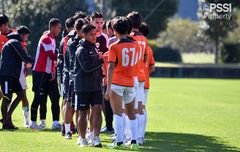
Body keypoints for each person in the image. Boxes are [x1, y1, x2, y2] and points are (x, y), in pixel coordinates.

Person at [105, 16, 139, 150]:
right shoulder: (135, 45)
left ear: (114, 30)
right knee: (131, 114)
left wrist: (108, 89)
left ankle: (119, 142)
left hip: (117, 83)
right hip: (131, 82)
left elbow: (111, 67)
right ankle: (134, 141)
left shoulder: (114, 46)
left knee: (118, 113)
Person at [74, 24, 103, 147]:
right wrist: (101, 61)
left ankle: (96, 137)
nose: (94, 36)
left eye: (95, 34)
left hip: (95, 86)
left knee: (97, 110)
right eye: (91, 34)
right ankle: (82, 138)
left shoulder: (93, 48)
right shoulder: (81, 50)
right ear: (84, 35)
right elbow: (86, 68)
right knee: (83, 113)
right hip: (82, 87)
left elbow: (96, 67)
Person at [0, 27, 34, 130]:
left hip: (13, 76)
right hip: (6, 75)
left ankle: (6, 117)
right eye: (26, 36)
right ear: (22, 35)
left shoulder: (15, 42)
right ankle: (5, 123)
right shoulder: (14, 42)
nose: (26, 39)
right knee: (6, 98)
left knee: (20, 95)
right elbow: (24, 57)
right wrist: (36, 60)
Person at [30, 18, 61, 130]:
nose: (59, 30)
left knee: (55, 96)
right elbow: (51, 55)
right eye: (58, 27)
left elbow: (52, 58)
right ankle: (33, 122)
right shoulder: (46, 38)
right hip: (39, 72)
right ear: (52, 27)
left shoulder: (53, 39)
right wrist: (63, 57)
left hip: (48, 72)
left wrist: (53, 71)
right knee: (38, 97)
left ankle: (55, 122)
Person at [127, 11, 149, 144]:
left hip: (132, 76)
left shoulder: (130, 37)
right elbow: (145, 58)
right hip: (142, 75)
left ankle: (130, 136)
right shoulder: (144, 39)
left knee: (130, 108)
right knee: (141, 108)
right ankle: (140, 137)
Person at [64, 18, 86, 140]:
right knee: (70, 104)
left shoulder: (85, 42)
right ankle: (67, 130)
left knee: (80, 107)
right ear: (78, 30)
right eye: (84, 30)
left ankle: (80, 130)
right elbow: (74, 63)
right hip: (73, 78)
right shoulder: (72, 43)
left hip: (82, 79)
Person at [139, 22, 155, 143]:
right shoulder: (148, 48)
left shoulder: (134, 43)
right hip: (145, 81)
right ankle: (141, 135)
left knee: (134, 109)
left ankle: (134, 136)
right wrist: (145, 72)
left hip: (136, 80)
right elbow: (152, 67)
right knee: (142, 108)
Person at [0, 14, 13, 101]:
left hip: (15, 69)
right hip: (3, 70)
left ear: (6, 24)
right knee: (6, 95)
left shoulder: (15, 34)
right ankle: (7, 115)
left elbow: (23, 50)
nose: (0, 28)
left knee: (22, 95)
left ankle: (26, 114)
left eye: (0, 26)